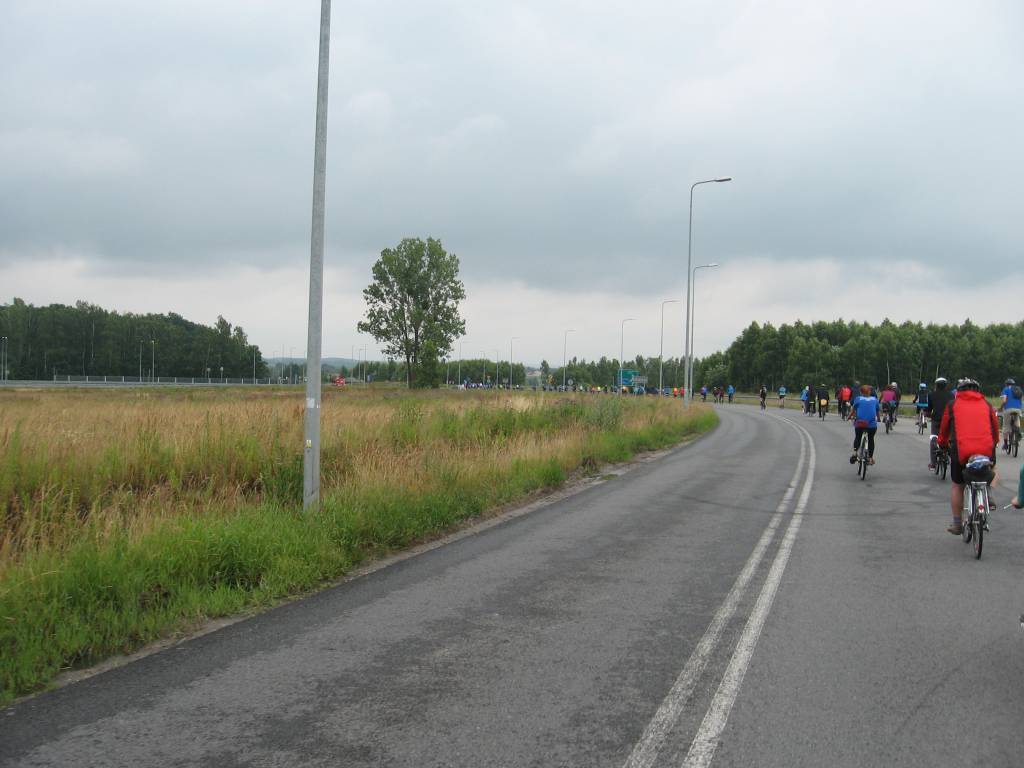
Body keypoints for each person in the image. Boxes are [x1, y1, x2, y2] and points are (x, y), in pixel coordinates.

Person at [937, 378, 1000, 535]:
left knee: (958, 485)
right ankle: (989, 493)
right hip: (985, 450)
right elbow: (995, 427)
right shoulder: (987, 404)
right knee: (993, 468)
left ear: (959, 391)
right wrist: (994, 442)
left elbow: (944, 429)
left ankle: (957, 523)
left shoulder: (953, 405)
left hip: (961, 451)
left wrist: (942, 444)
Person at [849, 384, 880, 465]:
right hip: (871, 425)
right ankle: (870, 458)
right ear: (869, 392)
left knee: (858, 437)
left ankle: (855, 453)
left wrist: (849, 416)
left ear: (861, 392)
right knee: (871, 439)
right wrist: (879, 418)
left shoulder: (858, 399)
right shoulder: (875, 400)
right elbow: (877, 411)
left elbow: (853, 410)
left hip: (860, 424)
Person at [926, 377, 953, 469]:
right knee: (950, 438)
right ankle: (950, 456)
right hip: (949, 420)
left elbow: (929, 409)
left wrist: (928, 414)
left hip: (936, 419)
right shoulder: (951, 395)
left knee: (934, 438)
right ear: (946, 385)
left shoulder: (931, 395)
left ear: (936, 385)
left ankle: (933, 463)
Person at [999, 377, 1023, 450]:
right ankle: (1018, 431)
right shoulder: (1018, 389)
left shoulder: (1006, 389)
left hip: (1008, 409)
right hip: (1018, 409)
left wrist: (1000, 408)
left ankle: (1005, 444)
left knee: (1005, 426)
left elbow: (1004, 401)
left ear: (1006, 384)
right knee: (1017, 419)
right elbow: (1021, 400)